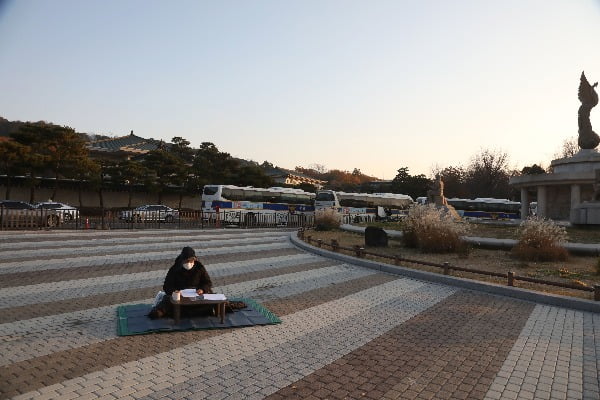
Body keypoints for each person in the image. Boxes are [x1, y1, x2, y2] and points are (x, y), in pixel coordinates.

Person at [148, 246, 213, 319]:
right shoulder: (175, 269)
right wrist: (175, 292)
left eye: (191, 261)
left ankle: (214, 308)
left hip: (196, 295)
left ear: (194, 259)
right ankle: (160, 312)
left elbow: (207, 282)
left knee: (211, 297)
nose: (188, 263)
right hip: (180, 297)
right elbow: (167, 286)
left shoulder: (199, 267)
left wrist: (202, 289)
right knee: (167, 300)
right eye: (186, 261)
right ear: (182, 260)